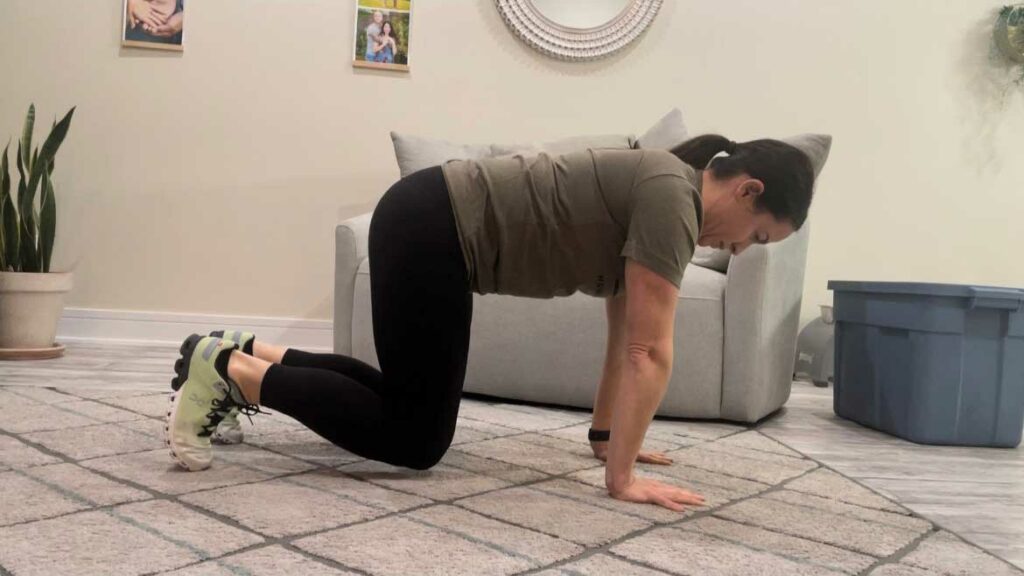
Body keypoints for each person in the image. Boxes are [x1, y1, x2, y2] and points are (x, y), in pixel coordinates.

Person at [166, 135, 815, 512]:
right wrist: (623, 481)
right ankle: (228, 374)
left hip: (429, 222)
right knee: (416, 438)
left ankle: (250, 353)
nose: (741, 250)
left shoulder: (662, 194)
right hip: (435, 229)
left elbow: (624, 338)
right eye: (757, 236)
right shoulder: (672, 200)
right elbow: (651, 352)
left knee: (406, 401)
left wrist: (606, 437)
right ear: (746, 190)